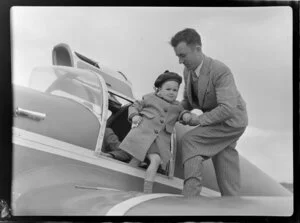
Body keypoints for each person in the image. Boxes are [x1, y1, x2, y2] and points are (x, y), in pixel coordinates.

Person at [170, 28, 248, 197]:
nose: (180, 61)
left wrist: (197, 120)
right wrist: (169, 107)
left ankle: (190, 197)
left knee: (191, 140)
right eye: (178, 56)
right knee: (224, 159)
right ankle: (234, 206)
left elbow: (228, 108)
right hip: (217, 119)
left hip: (231, 121)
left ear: (197, 49)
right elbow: (188, 102)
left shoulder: (220, 70)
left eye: (183, 55)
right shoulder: (188, 71)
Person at [117, 71, 192, 193]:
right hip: (144, 136)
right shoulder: (149, 98)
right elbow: (135, 106)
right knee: (141, 160)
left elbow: (183, 114)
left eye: (175, 90)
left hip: (159, 141)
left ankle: (144, 190)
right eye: (168, 89)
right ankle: (128, 185)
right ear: (158, 89)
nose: (172, 92)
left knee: (149, 160)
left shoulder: (177, 107)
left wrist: (188, 116)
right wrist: (134, 115)